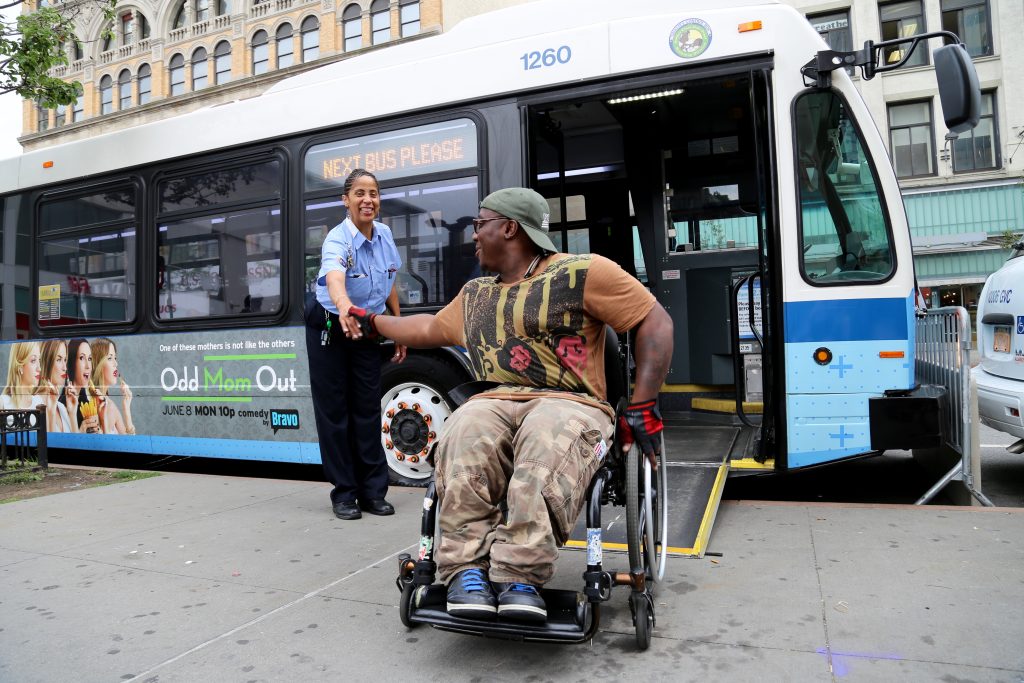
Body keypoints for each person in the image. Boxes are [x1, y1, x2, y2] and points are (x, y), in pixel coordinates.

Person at [347, 187, 673, 623]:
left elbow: (655, 320)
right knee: (464, 429)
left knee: (545, 437)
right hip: (497, 398)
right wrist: (370, 321)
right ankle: (465, 571)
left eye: (480, 225)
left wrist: (643, 405)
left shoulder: (584, 272)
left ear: (510, 227)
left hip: (570, 400)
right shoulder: (477, 293)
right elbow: (426, 328)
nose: (474, 235)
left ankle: (519, 575)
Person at [305, 168, 407, 521]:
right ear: (345, 200)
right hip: (331, 323)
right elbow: (334, 278)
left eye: (374, 193)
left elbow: (389, 279)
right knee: (335, 411)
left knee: (367, 407)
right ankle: (344, 493)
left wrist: (398, 326)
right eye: (360, 193)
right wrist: (346, 307)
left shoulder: (385, 235)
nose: (368, 200)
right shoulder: (337, 240)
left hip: (366, 323)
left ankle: (373, 492)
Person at [91, 338, 135, 435]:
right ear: (98, 363)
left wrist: (126, 408)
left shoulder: (111, 405)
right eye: (110, 358)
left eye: (115, 358)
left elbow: (130, 446)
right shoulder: (89, 403)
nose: (116, 364)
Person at [63, 338, 101, 433]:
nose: (88, 366)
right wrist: (81, 432)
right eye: (81, 358)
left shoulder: (84, 398)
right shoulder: (64, 404)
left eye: (89, 358)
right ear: (71, 363)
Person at [38, 339, 76, 433]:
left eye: (65, 360)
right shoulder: (35, 404)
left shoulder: (62, 407)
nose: (65, 367)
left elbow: (75, 443)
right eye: (59, 360)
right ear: (46, 362)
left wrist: (72, 413)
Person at [1, 341, 43, 410]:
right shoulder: (3, 403)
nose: (39, 368)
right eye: (33, 360)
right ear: (20, 366)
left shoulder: (39, 402)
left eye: (39, 360)